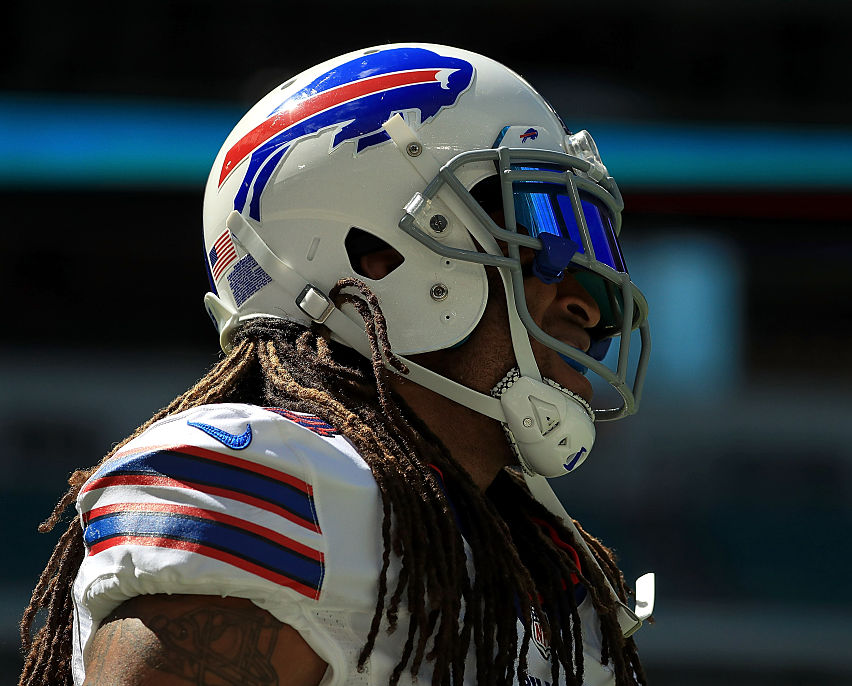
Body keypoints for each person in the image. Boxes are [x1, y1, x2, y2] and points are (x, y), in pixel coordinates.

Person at [20, 43, 654, 686]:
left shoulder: (543, 571)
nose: (591, 304)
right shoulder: (287, 491)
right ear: (377, 256)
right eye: (543, 228)